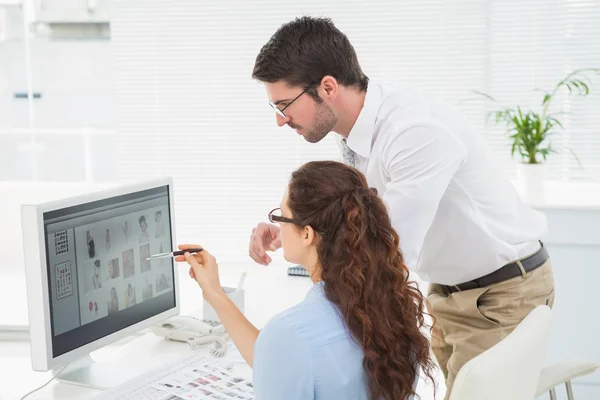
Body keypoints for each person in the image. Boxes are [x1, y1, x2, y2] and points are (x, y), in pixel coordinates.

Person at [248, 16, 555, 398]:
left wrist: (308, 248)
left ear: (327, 87)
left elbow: (385, 250)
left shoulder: (413, 132)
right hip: (449, 291)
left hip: (499, 293)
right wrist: (292, 227)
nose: (280, 121)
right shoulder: (359, 132)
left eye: (284, 105)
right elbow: (359, 216)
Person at [177, 161, 435, 400]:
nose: (277, 226)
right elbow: (280, 360)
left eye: (281, 217)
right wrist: (215, 294)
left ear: (308, 234)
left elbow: (286, 350)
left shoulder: (290, 333)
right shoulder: (390, 307)